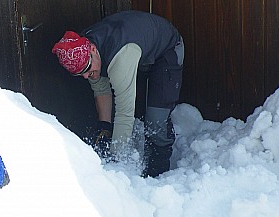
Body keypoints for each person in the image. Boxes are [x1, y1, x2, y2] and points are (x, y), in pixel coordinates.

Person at [52, 11, 184, 177]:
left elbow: (124, 113)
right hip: (140, 49)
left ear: (93, 50)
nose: (86, 76)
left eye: (86, 70)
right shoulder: (85, 49)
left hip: (167, 50)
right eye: (80, 74)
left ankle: (160, 174)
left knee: (156, 120)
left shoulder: (120, 57)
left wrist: (117, 163)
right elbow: (101, 89)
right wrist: (105, 127)